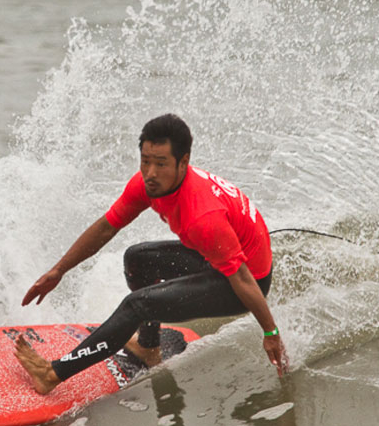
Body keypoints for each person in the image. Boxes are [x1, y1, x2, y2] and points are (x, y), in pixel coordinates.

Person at [15, 113, 287, 395]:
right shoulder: (148, 185)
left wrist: (270, 333)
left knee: (136, 305)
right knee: (137, 260)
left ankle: (51, 374)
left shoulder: (202, 217)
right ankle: (148, 347)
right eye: (145, 161)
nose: (150, 173)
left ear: (183, 162)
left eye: (161, 164)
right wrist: (59, 270)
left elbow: (242, 278)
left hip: (244, 282)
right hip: (216, 255)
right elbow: (107, 227)